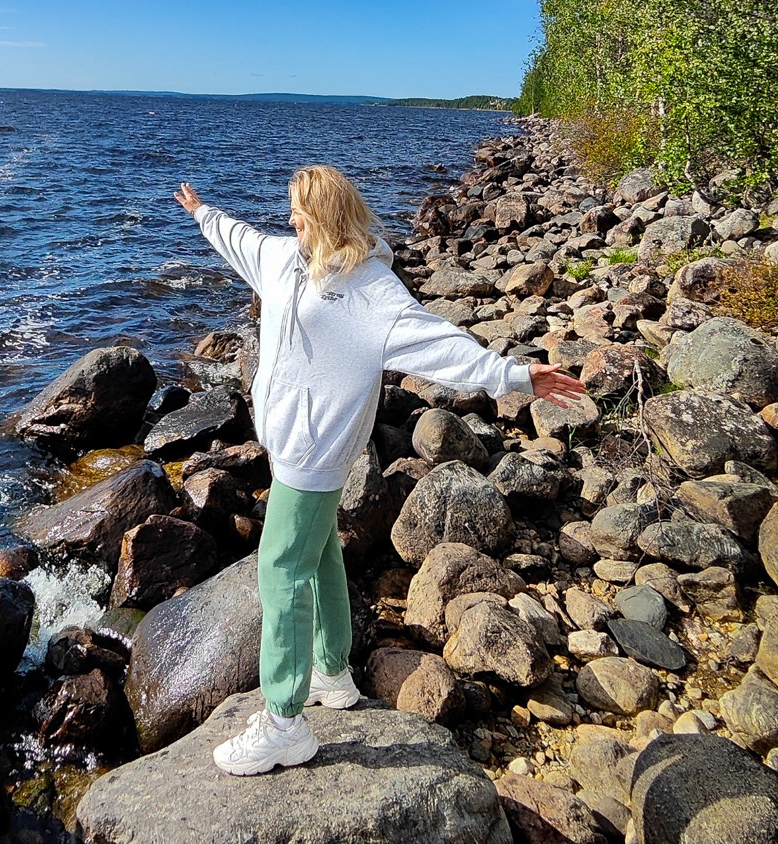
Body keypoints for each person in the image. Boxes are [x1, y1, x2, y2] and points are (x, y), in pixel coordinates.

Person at [174, 164, 586, 777]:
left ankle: (284, 721)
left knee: (281, 567)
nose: (289, 220)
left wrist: (516, 376)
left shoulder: (373, 292)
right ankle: (333, 673)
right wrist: (204, 214)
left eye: (301, 212)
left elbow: (443, 346)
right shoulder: (286, 258)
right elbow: (243, 241)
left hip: (317, 453)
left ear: (328, 218)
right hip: (290, 442)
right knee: (318, 556)